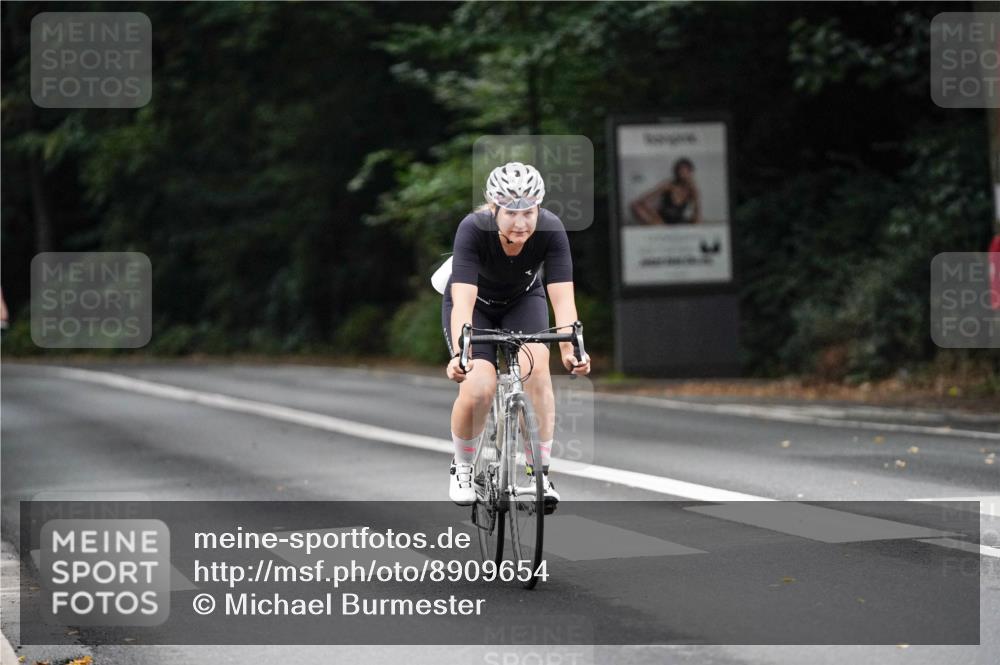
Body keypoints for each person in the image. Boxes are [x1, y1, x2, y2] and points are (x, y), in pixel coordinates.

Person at [440, 162, 590, 507]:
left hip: (523, 299)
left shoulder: (551, 229)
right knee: (479, 386)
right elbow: (462, 299)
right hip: (475, 304)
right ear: (494, 209)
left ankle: (539, 474)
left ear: (539, 208)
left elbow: (563, 297)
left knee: (537, 370)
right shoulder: (473, 229)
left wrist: (570, 348)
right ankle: (462, 466)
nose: (521, 223)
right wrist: (459, 356)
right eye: (510, 213)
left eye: (529, 212)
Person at [629, 157, 702, 225]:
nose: (683, 174)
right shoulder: (668, 185)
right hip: (661, 220)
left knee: (697, 222)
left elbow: (697, 216)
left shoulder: (692, 190)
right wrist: (653, 212)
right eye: (681, 171)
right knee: (635, 205)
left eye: (686, 171)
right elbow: (644, 199)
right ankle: (660, 227)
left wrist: (696, 197)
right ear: (676, 172)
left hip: (678, 221)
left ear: (691, 172)